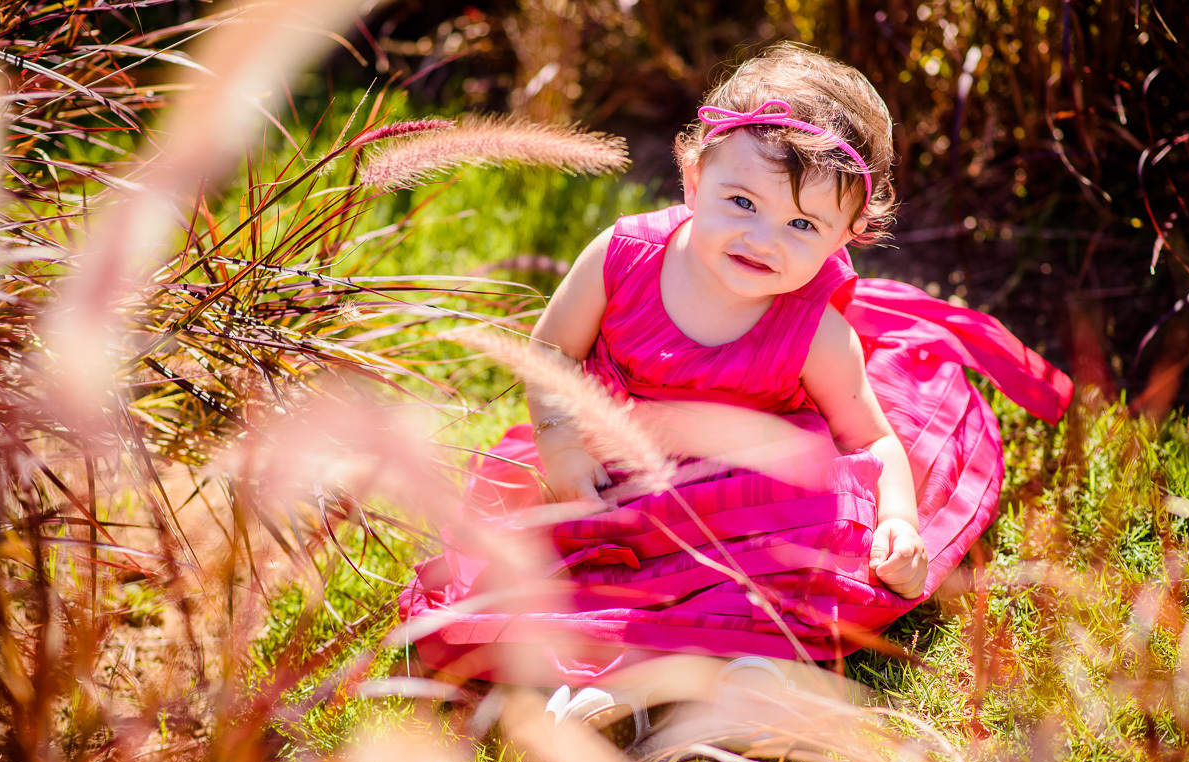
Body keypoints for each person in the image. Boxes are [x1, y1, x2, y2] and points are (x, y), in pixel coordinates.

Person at [399, 43, 1073, 700]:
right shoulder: (623, 258)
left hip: (741, 500)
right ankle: (638, 675)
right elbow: (549, 355)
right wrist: (561, 444)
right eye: (743, 202)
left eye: (803, 224)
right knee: (522, 580)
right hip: (613, 474)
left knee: (817, 537)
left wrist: (899, 519)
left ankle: (691, 676)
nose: (763, 239)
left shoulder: (815, 331)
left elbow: (869, 438)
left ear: (848, 235)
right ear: (694, 180)